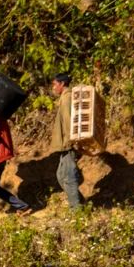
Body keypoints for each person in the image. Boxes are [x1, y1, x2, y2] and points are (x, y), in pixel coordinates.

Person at [50, 72, 83, 209]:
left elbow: (70, 121)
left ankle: (77, 210)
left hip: (68, 144)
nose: (53, 88)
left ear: (62, 84)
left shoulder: (66, 98)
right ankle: (81, 203)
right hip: (65, 145)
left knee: (69, 177)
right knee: (60, 175)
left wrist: (72, 142)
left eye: (54, 84)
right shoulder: (65, 97)